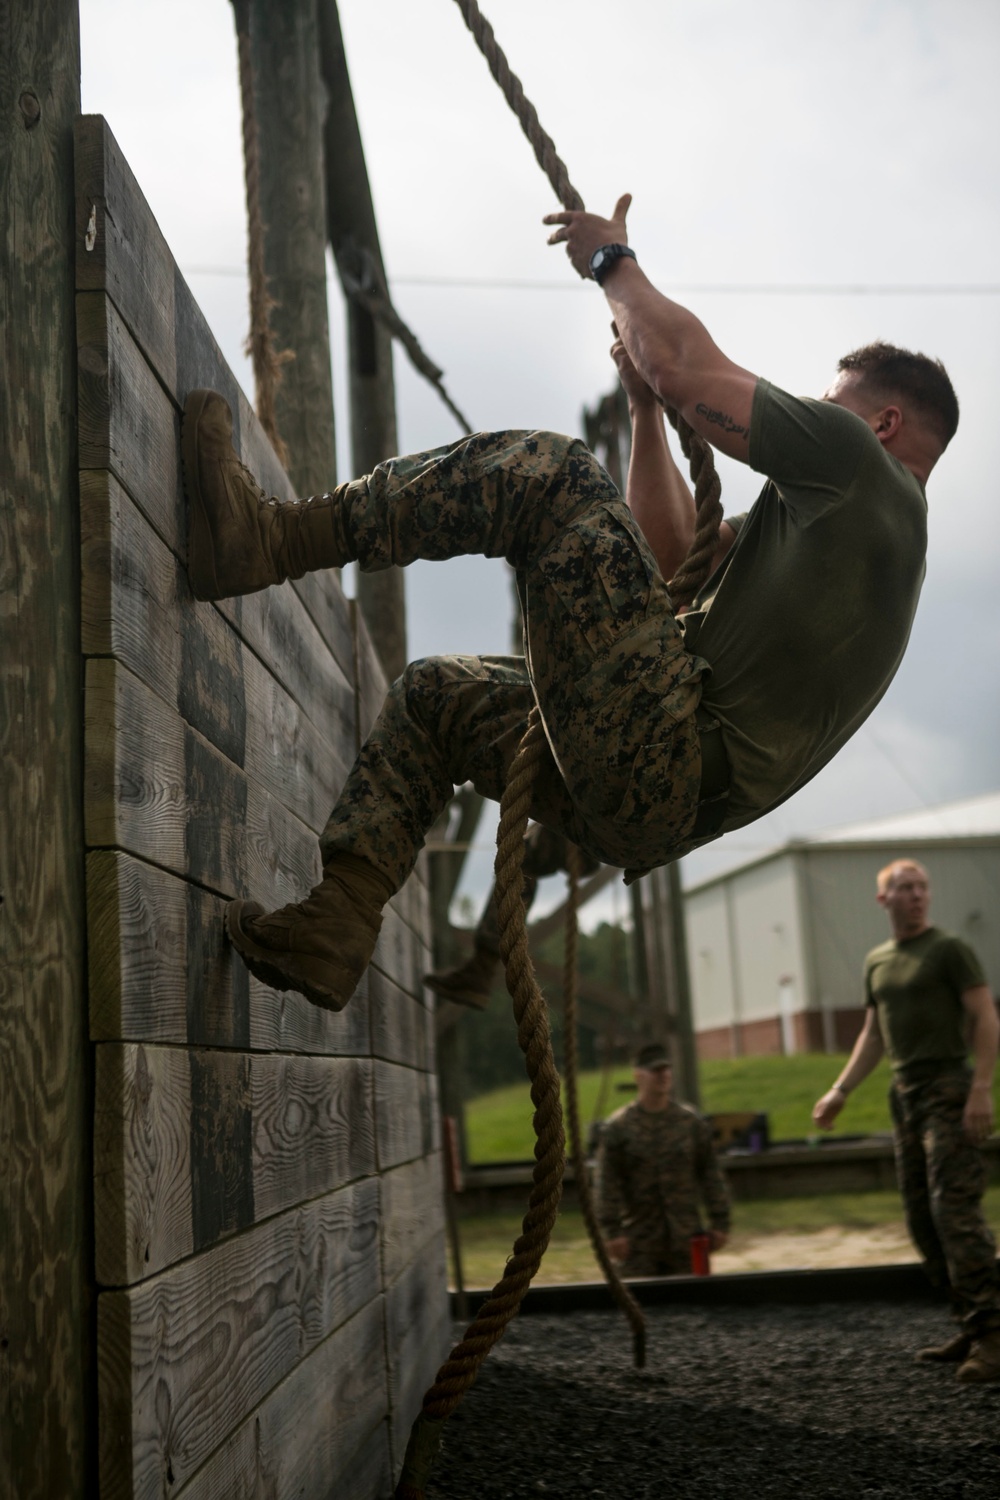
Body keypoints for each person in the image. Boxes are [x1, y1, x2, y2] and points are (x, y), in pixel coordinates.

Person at [181, 192, 958, 1018]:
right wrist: (644, 411)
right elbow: (664, 555)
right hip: (651, 804)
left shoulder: (856, 466)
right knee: (434, 698)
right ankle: (336, 924)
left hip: (666, 747)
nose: (819, 413)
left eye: (832, 403)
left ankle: (270, 542)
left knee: (555, 476)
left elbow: (685, 365)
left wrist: (609, 261)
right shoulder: (851, 545)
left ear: (882, 420)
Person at [812, 859, 1000, 1382]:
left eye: (922, 887)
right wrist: (840, 1090)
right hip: (906, 1096)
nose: (917, 895)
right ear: (883, 900)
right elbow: (874, 1035)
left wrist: (980, 1087)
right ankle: (969, 1318)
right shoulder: (878, 960)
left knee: (953, 1211)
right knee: (920, 1215)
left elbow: (986, 1016)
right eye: (905, 888)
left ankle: (994, 1335)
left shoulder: (949, 949)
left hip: (950, 1090)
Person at [424, 822, 600, 1009]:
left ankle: (481, 968)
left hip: (591, 823)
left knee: (522, 857)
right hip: (605, 833)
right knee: (524, 856)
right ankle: (481, 968)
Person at [596, 1042, 730, 1276]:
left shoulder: (690, 1124)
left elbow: (710, 1175)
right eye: (656, 1071)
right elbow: (606, 1183)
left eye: (667, 1070)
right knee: (639, 1306)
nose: (664, 1076)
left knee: (694, 1307)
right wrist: (612, 1232)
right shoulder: (619, 1128)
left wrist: (720, 1223)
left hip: (686, 1239)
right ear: (639, 1076)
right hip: (639, 1243)